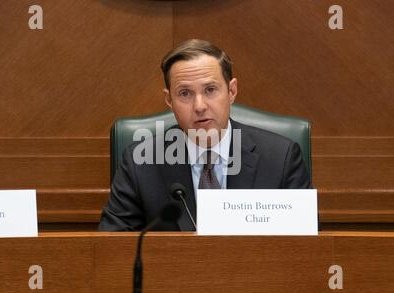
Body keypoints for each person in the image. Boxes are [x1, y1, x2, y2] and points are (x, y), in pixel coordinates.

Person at [99, 39, 311, 231]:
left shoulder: (280, 158)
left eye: (210, 90)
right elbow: (113, 248)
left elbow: (307, 247)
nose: (199, 106)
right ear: (169, 100)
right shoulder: (140, 163)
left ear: (232, 91)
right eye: (185, 94)